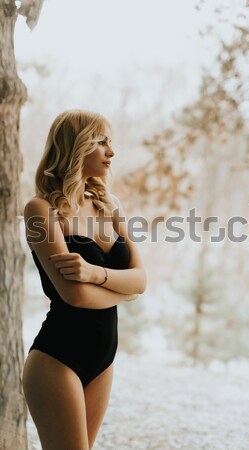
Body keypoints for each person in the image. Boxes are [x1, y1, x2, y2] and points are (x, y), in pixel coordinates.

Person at [22, 109, 147, 450]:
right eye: (101, 142)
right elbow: (75, 297)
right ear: (76, 147)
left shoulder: (110, 205)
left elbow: (140, 280)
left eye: (112, 143)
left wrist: (95, 273)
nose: (111, 152)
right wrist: (123, 289)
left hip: (103, 360)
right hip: (57, 359)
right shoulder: (41, 210)